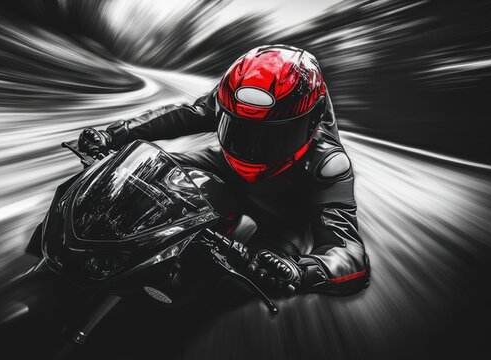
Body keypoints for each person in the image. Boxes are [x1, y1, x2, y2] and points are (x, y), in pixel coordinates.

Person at [78, 44, 369, 296]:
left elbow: (348, 253)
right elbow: (184, 115)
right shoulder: (230, 99)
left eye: (271, 136)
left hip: (284, 208)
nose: (251, 147)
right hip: (222, 163)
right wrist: (116, 135)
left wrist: (302, 271)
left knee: (249, 283)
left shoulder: (328, 163)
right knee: (142, 172)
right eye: (238, 129)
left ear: (312, 120)